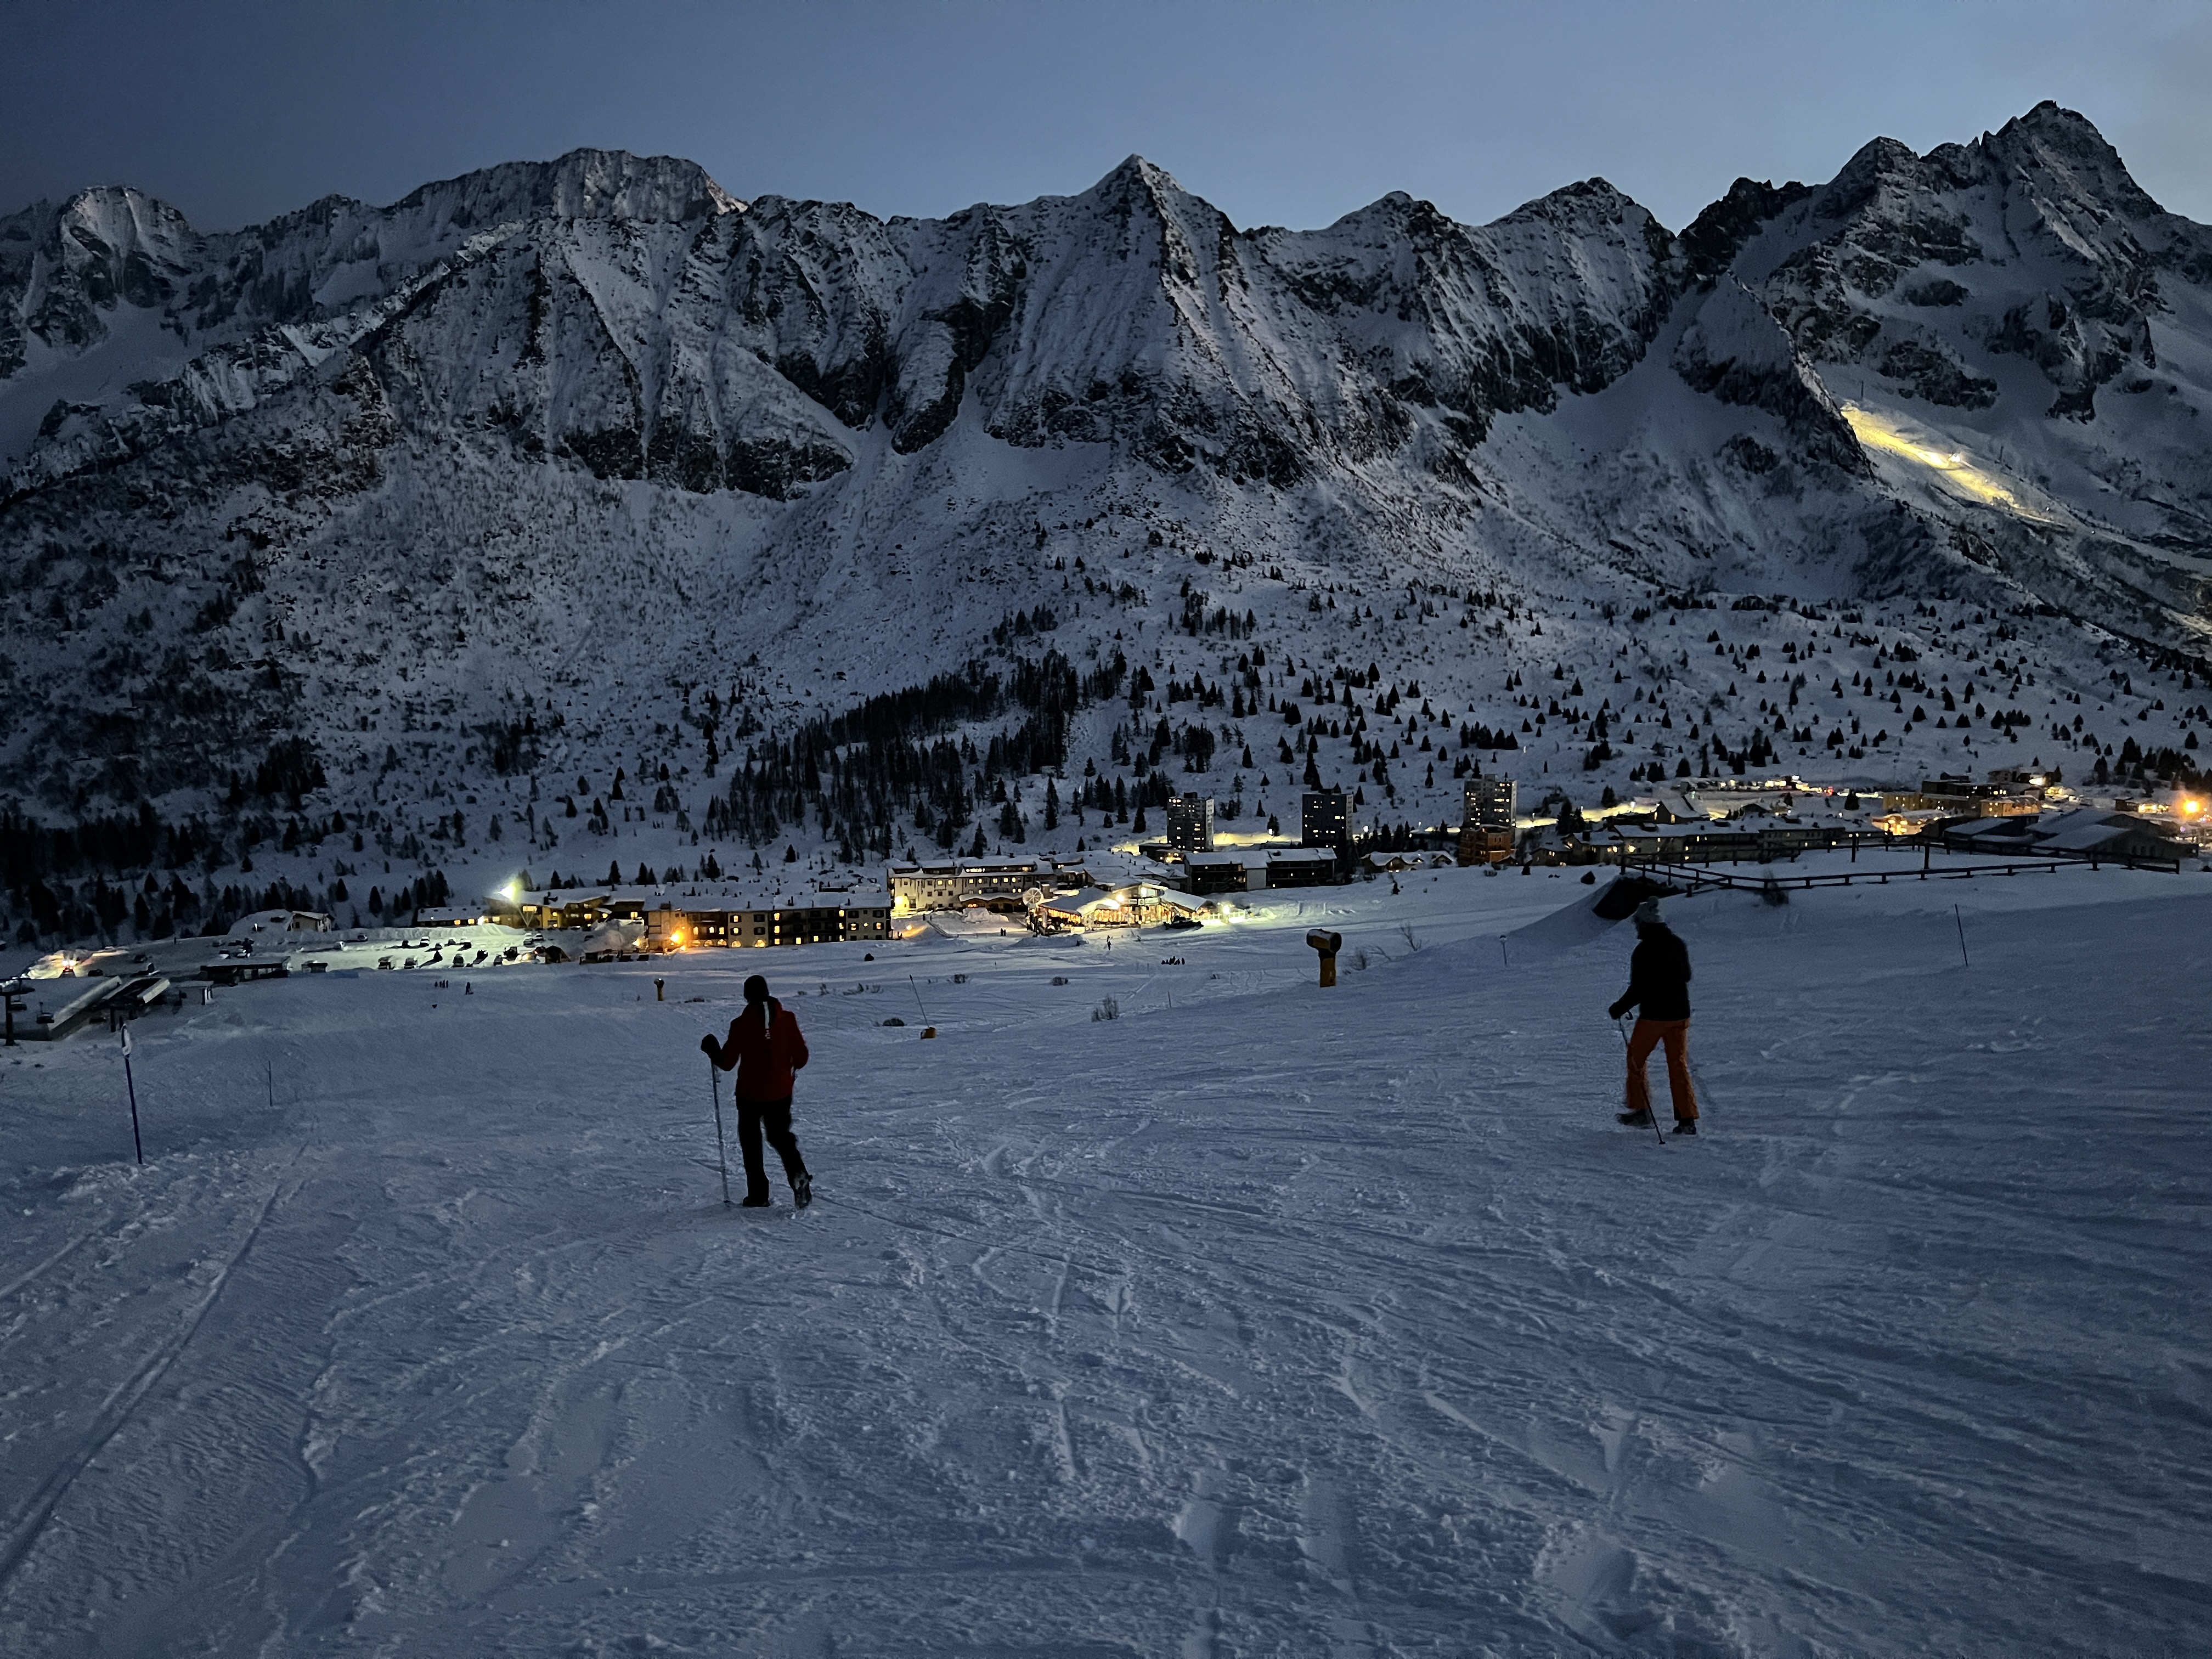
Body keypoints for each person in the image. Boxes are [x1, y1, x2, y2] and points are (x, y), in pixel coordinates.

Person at [701, 974, 814, 1206]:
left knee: (751, 1144)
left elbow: (727, 1062)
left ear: (747, 997)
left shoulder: (740, 1025)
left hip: (750, 1095)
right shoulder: (788, 1019)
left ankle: (758, 1196)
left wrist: (712, 1050)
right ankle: (798, 1175)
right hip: (781, 1093)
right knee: (780, 1137)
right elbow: (801, 1059)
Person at [1606, 899, 1700, 1136]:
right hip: (1680, 1015)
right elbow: (1686, 976)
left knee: (1636, 1061)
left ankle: (1641, 1110)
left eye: (1637, 923)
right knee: (1678, 1065)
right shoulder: (1677, 944)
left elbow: (1639, 989)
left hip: (1654, 1018)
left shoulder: (1644, 950)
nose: (1636, 928)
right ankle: (1687, 1119)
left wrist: (1619, 1007)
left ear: (1645, 924)